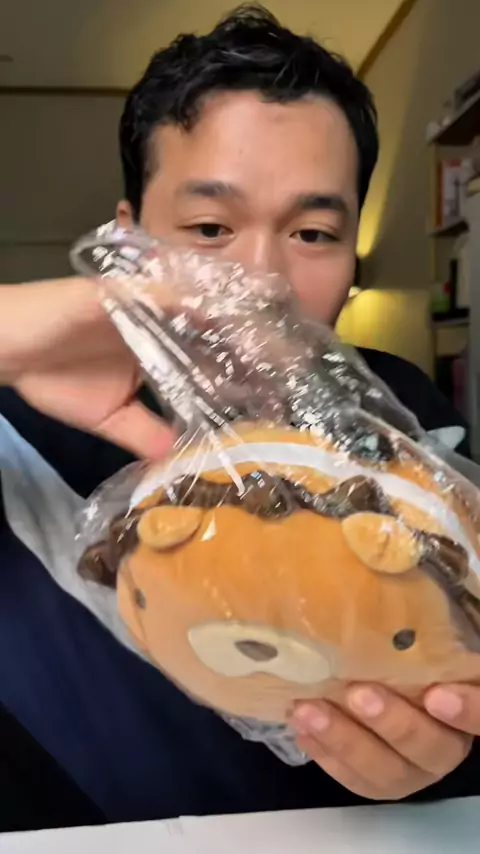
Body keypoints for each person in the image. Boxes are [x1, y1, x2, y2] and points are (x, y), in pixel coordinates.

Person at [1, 5, 479, 830]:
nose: (263, 282)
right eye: (210, 227)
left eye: (313, 232)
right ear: (130, 238)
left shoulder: (410, 424)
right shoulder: (17, 421)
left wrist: (441, 751)